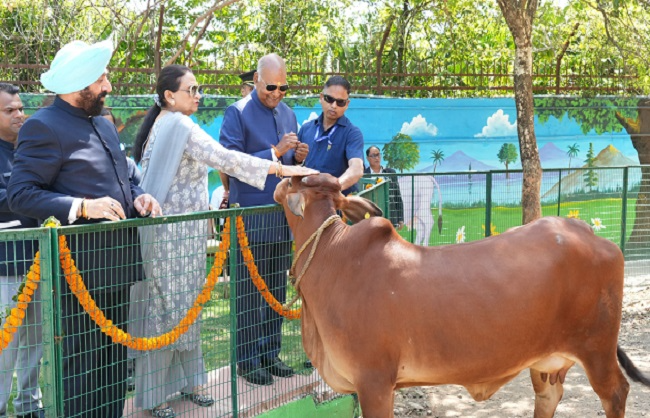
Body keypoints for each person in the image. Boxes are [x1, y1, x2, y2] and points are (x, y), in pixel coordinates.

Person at [130, 64, 316, 416]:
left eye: (198, 89)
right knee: (167, 312)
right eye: (192, 90)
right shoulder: (179, 125)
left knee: (187, 309)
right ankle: (155, 398)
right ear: (170, 96)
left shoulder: (165, 123)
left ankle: (190, 382)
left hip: (182, 236)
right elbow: (224, 158)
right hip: (169, 236)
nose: (198, 95)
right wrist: (278, 166)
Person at [7, 39, 162, 418]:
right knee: (82, 373)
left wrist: (139, 197)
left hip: (117, 267)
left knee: (112, 370)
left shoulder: (103, 126)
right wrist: (81, 207)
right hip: (78, 275)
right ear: (80, 84)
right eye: (102, 78)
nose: (109, 85)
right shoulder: (42, 126)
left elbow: (124, 179)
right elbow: (21, 194)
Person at [220, 53, 309, 386]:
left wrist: (297, 155)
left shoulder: (288, 113)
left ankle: (270, 353)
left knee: (274, 288)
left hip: (283, 217)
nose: (277, 93)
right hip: (250, 221)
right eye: (271, 86)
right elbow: (229, 163)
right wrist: (273, 152)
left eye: (283, 87)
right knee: (248, 293)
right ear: (256, 80)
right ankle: (246, 360)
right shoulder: (237, 112)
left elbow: (288, 162)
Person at [0, 83, 43, 418]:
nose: (19, 115)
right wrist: (36, 203)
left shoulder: (31, 148)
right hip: (5, 265)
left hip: (40, 260)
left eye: (19, 108)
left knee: (35, 341)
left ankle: (29, 406)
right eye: (9, 110)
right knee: (6, 345)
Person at [296, 75, 364, 195]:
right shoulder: (306, 129)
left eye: (340, 102)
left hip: (338, 206)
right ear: (321, 97)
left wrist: (334, 188)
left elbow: (356, 169)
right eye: (329, 99)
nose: (334, 105)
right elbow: (294, 165)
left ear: (347, 104)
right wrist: (297, 160)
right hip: (310, 204)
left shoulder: (352, 133)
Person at [364, 145, 405, 229]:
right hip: (370, 218)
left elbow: (397, 196)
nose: (377, 158)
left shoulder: (390, 173)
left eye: (378, 154)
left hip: (390, 216)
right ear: (367, 158)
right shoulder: (364, 175)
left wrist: (400, 218)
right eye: (373, 155)